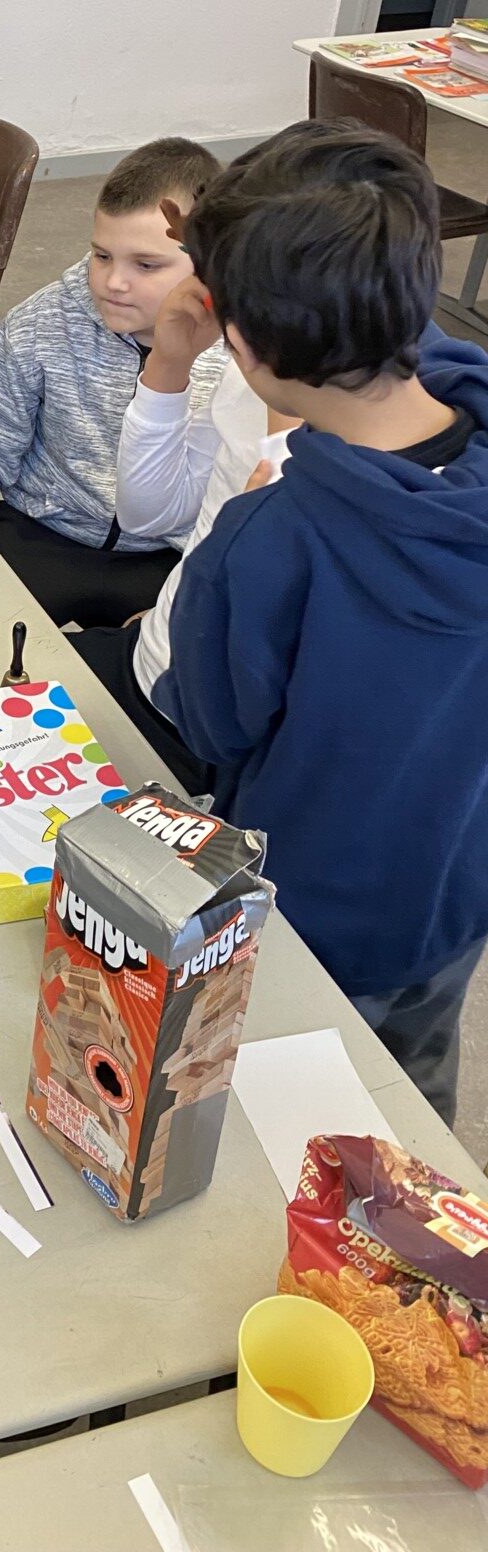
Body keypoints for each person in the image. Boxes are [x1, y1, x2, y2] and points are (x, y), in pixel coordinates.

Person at [154, 125, 488, 1126]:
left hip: (309, 916)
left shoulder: (266, 540)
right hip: (455, 894)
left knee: (286, 1124)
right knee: (416, 1122)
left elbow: (211, 725)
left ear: (246, 352)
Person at [0, 137, 227, 627]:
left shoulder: (245, 353)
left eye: (146, 264)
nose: (113, 282)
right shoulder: (38, 322)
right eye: (102, 255)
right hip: (44, 532)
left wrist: (203, 585)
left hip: (172, 555)